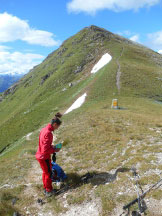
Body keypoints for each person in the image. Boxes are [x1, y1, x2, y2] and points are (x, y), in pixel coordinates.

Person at [35, 112, 62, 197]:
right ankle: (49, 191)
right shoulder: (49, 133)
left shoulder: (44, 129)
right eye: (58, 126)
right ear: (54, 124)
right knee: (49, 174)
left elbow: (44, 145)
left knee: (45, 172)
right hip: (44, 157)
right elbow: (45, 150)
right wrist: (55, 149)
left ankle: (45, 188)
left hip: (40, 156)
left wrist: (52, 146)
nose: (58, 128)